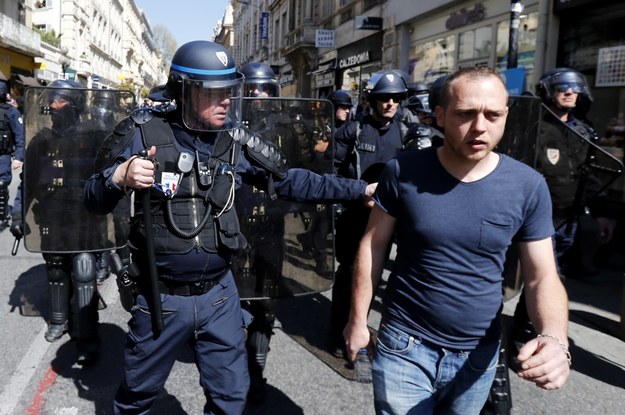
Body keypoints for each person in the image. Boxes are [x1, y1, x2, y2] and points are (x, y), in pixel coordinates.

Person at [82, 41, 376, 415]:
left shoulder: (233, 140)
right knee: (137, 397)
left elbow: (291, 180)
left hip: (220, 296)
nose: (225, 101)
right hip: (162, 298)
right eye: (214, 92)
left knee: (230, 400)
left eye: (229, 92)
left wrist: (359, 189)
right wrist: (119, 176)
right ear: (185, 92)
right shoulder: (141, 132)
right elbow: (91, 198)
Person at [343, 67, 571, 415]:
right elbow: (373, 247)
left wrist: (554, 337)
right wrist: (357, 320)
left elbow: (542, 275)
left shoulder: (528, 186)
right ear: (440, 116)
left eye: (493, 115)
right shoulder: (403, 171)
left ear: (505, 115)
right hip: (404, 344)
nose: (480, 126)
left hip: (478, 354)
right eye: (465, 114)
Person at [510, 67, 620, 352]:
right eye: (562, 88)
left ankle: (531, 328)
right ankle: (526, 333)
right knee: (546, 277)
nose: (570, 92)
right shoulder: (534, 128)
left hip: (570, 218)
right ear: (548, 92)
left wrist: (602, 213)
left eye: (574, 88)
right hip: (540, 218)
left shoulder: (583, 131)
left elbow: (590, 175)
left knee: (550, 279)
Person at [10, 79, 106, 364]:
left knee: (85, 269)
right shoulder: (41, 142)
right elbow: (27, 182)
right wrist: (18, 213)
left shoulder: (94, 139)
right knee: (55, 269)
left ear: (75, 104)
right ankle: (58, 319)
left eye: (61, 100)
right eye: (53, 100)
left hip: (85, 217)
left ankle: (87, 334)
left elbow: (108, 180)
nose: (54, 105)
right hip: (51, 217)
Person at [328, 70, 408, 359]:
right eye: (384, 98)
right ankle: (339, 331)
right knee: (349, 272)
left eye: (396, 98)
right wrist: (353, 194)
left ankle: (372, 331)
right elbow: (331, 171)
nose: (390, 103)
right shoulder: (353, 131)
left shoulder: (405, 132)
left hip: (391, 218)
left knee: (382, 276)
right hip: (356, 215)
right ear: (373, 100)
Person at [0, 81, 24, 231]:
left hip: (2, 155)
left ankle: (1, 217)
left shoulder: (11, 112)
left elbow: (20, 135)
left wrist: (18, 157)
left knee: (1, 186)